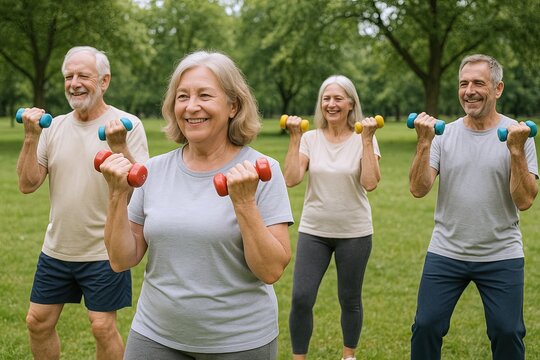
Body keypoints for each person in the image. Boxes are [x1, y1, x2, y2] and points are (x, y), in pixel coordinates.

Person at [98, 50, 293, 360]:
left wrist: (243, 203)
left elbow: (270, 270)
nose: (191, 107)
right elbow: (122, 259)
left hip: (239, 342)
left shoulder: (261, 169)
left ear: (233, 105)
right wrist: (116, 195)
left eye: (205, 95)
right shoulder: (154, 170)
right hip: (155, 336)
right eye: (182, 96)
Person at [16, 46, 149, 360]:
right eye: (68, 76)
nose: (74, 83)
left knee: (102, 327)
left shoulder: (127, 125)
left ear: (104, 82)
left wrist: (118, 147)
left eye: (83, 76)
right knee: (37, 322)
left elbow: (141, 191)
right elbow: (27, 184)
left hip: (104, 250)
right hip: (58, 248)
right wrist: (31, 137)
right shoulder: (55, 126)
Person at [409, 54, 538, 359]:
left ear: (498, 89)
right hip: (447, 250)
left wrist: (516, 152)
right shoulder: (444, 134)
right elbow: (418, 189)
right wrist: (424, 142)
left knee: (508, 332)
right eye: (463, 83)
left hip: (500, 253)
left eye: (478, 83)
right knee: (425, 326)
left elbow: (525, 200)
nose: (469, 90)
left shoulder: (518, 136)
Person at [285, 75, 382, 360]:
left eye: (338, 98)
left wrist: (366, 140)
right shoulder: (309, 139)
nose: (331, 104)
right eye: (326, 98)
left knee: (349, 299)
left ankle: (348, 355)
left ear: (351, 104)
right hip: (314, 230)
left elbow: (370, 182)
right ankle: (298, 357)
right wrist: (294, 139)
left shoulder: (364, 137)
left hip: (354, 232)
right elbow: (291, 179)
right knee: (301, 298)